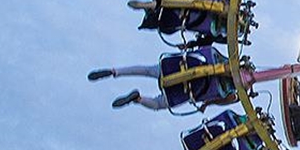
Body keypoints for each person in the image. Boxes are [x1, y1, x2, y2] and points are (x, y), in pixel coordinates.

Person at [87, 46, 235, 111]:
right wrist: (206, 105)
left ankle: (114, 71)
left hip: (177, 67)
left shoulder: (217, 56)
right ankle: (138, 99)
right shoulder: (229, 92)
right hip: (187, 92)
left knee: (146, 70)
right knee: (158, 105)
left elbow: (203, 50)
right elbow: (221, 100)